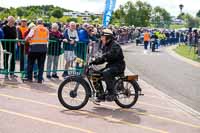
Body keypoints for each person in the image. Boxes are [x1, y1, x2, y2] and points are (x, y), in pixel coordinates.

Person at [90, 29, 126, 101]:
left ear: (108, 37)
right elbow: (103, 58)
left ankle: (111, 93)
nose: (101, 38)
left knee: (106, 73)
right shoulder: (106, 45)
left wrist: (102, 58)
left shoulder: (115, 45)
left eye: (103, 37)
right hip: (111, 65)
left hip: (118, 65)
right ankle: (101, 94)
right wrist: (94, 61)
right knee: (94, 74)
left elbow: (110, 55)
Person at [25, 18, 49, 83]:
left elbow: (28, 38)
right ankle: (40, 79)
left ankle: (30, 78)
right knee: (41, 65)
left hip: (34, 49)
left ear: (36, 23)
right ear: (42, 23)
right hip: (43, 49)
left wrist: (27, 40)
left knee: (30, 64)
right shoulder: (46, 30)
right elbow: (47, 39)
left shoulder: (34, 29)